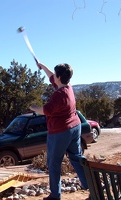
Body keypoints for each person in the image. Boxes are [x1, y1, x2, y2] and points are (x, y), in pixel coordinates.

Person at [29, 62, 88, 200]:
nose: (53, 76)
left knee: (54, 163)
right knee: (77, 158)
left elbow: (46, 110)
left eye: (56, 74)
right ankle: (93, 184)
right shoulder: (68, 88)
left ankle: (55, 196)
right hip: (75, 127)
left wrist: (33, 107)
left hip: (60, 132)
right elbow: (51, 76)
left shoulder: (59, 95)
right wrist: (42, 66)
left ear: (59, 77)